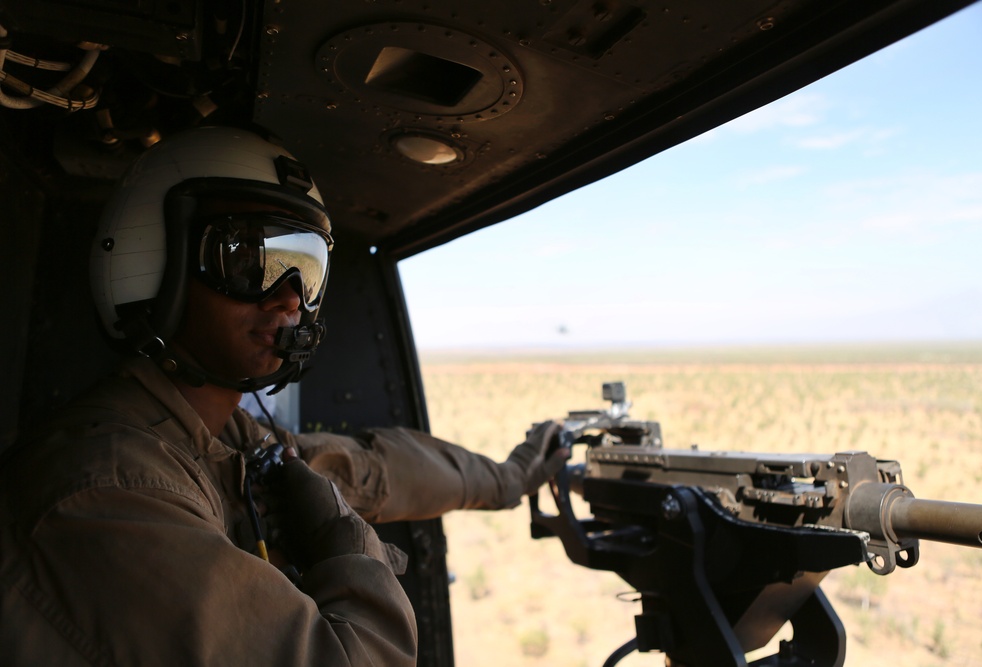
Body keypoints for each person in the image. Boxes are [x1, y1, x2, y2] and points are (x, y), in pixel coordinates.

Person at [0, 126, 567, 665]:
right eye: (250, 261)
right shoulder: (108, 491)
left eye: (305, 270)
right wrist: (346, 545)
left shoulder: (222, 437)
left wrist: (511, 477)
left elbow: (368, 471)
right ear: (151, 262)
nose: (290, 299)